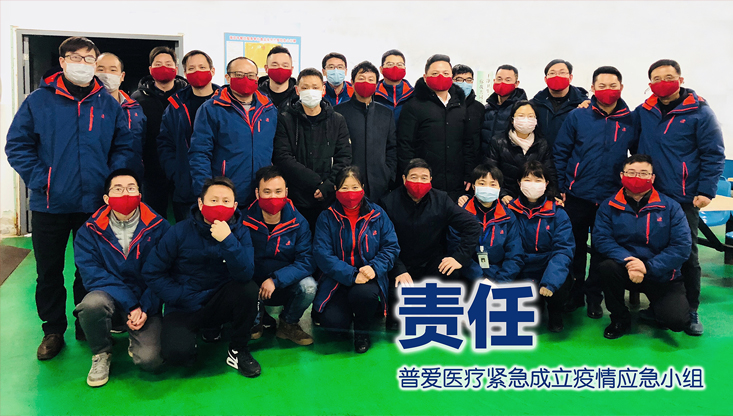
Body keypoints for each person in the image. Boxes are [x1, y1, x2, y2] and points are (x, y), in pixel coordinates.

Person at [5, 36, 138, 360]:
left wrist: (111, 181)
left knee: (89, 268)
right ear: (63, 62)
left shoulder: (107, 103)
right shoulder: (39, 101)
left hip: (93, 203)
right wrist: (43, 179)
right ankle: (53, 330)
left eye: (89, 59)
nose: (83, 64)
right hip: (49, 203)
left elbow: (123, 145)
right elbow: (17, 145)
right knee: (49, 271)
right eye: (76, 58)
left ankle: (85, 323)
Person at [635, 59, 725, 336]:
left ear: (680, 79)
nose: (662, 83)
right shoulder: (644, 112)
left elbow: (713, 153)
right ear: (650, 83)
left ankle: (691, 309)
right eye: (656, 79)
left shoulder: (700, 112)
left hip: (684, 197)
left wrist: (706, 190)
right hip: (650, 194)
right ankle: (658, 306)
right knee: (652, 249)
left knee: (686, 254)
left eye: (668, 77)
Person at [142, 176, 261, 377]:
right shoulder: (178, 231)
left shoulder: (240, 232)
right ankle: (199, 335)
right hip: (184, 304)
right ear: (200, 203)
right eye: (213, 200)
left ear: (234, 206)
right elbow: (152, 271)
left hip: (219, 300)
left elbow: (245, 273)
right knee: (178, 355)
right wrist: (178, 295)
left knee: (249, 289)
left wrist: (228, 240)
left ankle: (238, 350)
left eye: (226, 201)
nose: (219, 205)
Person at [553, 66, 637, 319]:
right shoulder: (578, 116)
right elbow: (561, 152)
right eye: (601, 86)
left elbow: (638, 155)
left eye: (613, 86)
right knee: (575, 247)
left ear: (621, 88)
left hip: (612, 198)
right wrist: (560, 187)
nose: (607, 90)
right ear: (592, 88)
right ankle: (575, 294)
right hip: (578, 194)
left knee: (602, 250)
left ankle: (594, 297)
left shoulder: (631, 119)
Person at [74, 169, 169, 387]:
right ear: (106, 198)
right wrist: (131, 304)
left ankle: (136, 337)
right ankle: (101, 353)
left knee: (151, 360)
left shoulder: (160, 227)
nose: (125, 193)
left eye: (131, 188)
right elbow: (92, 275)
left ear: (140, 195)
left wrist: (145, 307)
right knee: (91, 305)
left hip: (145, 303)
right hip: (110, 297)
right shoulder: (89, 231)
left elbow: (165, 273)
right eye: (118, 189)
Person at [593, 154, 692, 339]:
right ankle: (620, 319)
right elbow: (602, 239)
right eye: (631, 172)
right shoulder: (608, 206)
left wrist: (647, 267)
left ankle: (656, 310)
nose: (636, 177)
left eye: (643, 173)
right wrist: (629, 261)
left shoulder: (671, 207)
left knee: (677, 321)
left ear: (652, 178)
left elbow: (681, 246)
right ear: (622, 175)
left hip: (661, 274)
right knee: (607, 267)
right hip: (625, 269)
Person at [379, 159, 481, 329]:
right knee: (397, 324)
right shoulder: (388, 202)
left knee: (451, 274)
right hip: (400, 265)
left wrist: (459, 257)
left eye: (424, 178)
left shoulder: (441, 199)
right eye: (414, 177)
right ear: (404, 179)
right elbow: (383, 242)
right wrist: (398, 269)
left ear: (431, 180)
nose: (419, 182)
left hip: (431, 263)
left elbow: (472, 226)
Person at [312, 166, 400, 353]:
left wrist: (374, 267)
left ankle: (362, 332)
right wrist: (351, 275)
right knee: (334, 325)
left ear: (363, 188)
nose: (350, 193)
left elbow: (391, 247)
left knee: (364, 296)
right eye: (344, 188)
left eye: (355, 187)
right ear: (336, 189)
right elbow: (322, 254)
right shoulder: (326, 217)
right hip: (337, 280)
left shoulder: (378, 214)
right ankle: (344, 314)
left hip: (368, 278)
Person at [188, 56, 277, 206]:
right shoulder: (212, 109)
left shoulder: (268, 109)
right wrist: (205, 191)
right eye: (239, 75)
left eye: (250, 75)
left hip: (261, 194)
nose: (245, 79)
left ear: (257, 78)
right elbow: (200, 153)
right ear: (228, 77)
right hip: (225, 195)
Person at [243, 166, 316, 345]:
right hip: (254, 284)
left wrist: (276, 280)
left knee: (309, 287)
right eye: (267, 192)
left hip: (283, 284)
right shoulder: (243, 221)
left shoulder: (299, 222)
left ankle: (288, 324)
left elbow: (306, 261)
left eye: (278, 191)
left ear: (286, 192)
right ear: (257, 193)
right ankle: (255, 319)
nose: (273, 197)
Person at [272, 68, 352, 231]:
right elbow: (282, 156)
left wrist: (327, 186)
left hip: (328, 197)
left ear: (323, 90)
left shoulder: (337, 120)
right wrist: (316, 183)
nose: (310, 91)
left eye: (315, 87)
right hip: (296, 196)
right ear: (297, 90)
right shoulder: (286, 119)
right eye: (305, 87)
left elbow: (344, 157)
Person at [507, 161, 574, 332]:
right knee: (528, 316)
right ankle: (534, 304)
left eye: (538, 180)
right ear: (519, 183)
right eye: (527, 179)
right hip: (521, 268)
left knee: (561, 281)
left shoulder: (558, 213)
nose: (532, 184)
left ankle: (555, 312)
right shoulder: (509, 211)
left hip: (548, 266)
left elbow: (563, 250)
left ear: (546, 183)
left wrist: (550, 282)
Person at [397, 54, 475, 200]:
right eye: (435, 73)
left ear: (451, 77)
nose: (440, 77)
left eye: (445, 73)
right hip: (424, 183)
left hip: (456, 182)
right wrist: (410, 176)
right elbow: (405, 145)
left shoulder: (460, 105)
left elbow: (468, 142)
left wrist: (468, 173)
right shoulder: (413, 106)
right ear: (425, 77)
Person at [157, 50, 220, 221]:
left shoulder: (226, 103)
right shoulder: (175, 106)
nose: (197, 72)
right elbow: (165, 144)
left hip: (221, 188)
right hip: (186, 189)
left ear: (212, 71)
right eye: (192, 69)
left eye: (202, 67)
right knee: (187, 236)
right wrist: (177, 173)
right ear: (185, 73)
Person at [132, 46, 189, 217]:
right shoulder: (138, 98)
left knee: (185, 217)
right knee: (153, 218)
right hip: (151, 171)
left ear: (176, 68)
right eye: (158, 64)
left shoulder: (186, 96)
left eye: (168, 64)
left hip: (183, 168)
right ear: (150, 69)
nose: (163, 67)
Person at [450, 163, 524, 284]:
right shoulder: (461, 214)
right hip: (469, 276)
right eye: (482, 183)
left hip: (500, 276)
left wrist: (500, 282)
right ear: (473, 186)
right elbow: (455, 248)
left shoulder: (508, 216)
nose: (487, 188)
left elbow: (515, 254)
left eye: (493, 184)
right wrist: (479, 279)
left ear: (499, 188)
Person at [334, 61, 397, 202]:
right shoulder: (338, 112)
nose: (366, 83)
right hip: (348, 185)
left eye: (370, 80)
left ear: (376, 84)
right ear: (352, 82)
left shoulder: (386, 113)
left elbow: (392, 148)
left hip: (380, 184)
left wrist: (389, 174)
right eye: (361, 79)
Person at [486, 100, 556, 205]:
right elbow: (491, 171)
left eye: (530, 116)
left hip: (534, 199)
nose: (526, 120)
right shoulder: (498, 142)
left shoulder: (542, 144)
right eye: (521, 116)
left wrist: (554, 194)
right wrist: (502, 194)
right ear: (512, 119)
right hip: (506, 199)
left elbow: (549, 172)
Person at [95, 52, 146, 176]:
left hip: (131, 177)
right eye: (101, 69)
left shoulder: (134, 108)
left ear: (122, 76)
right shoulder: (86, 107)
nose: (106, 74)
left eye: (113, 70)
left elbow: (142, 142)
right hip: (97, 177)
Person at [530, 59, 589, 147]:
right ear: (546, 79)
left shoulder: (583, 105)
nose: (557, 76)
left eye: (562, 72)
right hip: (542, 154)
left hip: (571, 154)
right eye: (552, 73)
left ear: (570, 77)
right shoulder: (535, 104)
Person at [481, 64, 527, 156]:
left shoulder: (522, 109)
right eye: (499, 79)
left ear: (516, 83)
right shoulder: (487, 108)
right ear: (494, 81)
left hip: (509, 161)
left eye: (508, 80)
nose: (502, 83)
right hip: (486, 160)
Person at [453, 64, 484, 163]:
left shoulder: (479, 108)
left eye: (468, 80)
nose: (464, 83)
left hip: (472, 162)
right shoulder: (446, 106)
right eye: (459, 79)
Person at [375, 49, 414, 126]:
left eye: (399, 64)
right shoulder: (372, 95)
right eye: (390, 64)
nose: (395, 67)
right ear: (381, 69)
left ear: (405, 69)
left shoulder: (414, 95)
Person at [258, 46, 298, 110]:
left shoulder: (299, 97)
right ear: (266, 68)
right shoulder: (256, 95)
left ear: (291, 69)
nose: (280, 68)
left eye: (285, 66)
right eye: (275, 65)